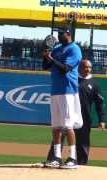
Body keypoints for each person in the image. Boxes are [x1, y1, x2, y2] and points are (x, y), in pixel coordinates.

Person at [46, 59, 106, 165]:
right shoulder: (72, 79)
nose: (88, 69)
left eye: (89, 67)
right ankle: (53, 159)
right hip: (68, 113)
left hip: (84, 117)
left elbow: (99, 103)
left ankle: (81, 163)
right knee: (59, 135)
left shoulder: (94, 84)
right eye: (85, 67)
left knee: (83, 142)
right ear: (79, 68)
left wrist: (102, 119)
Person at [42, 27, 83, 169]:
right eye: (58, 34)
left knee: (68, 125)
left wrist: (52, 59)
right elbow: (45, 66)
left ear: (68, 34)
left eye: (61, 34)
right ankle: (56, 158)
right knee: (56, 126)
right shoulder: (57, 48)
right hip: (55, 90)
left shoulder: (74, 49)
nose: (59, 36)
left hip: (68, 90)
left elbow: (65, 69)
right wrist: (45, 55)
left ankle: (73, 158)